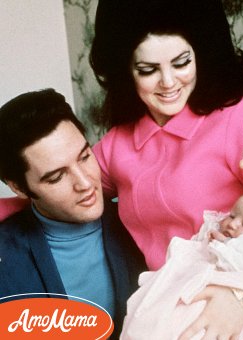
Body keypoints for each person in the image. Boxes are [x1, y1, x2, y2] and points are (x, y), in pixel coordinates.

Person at [85, 0, 243, 337]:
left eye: (181, 63)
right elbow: (61, 186)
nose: (168, 82)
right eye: (148, 69)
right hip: (171, 315)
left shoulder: (239, 120)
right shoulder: (116, 145)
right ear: (126, 69)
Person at [0, 89, 146, 338]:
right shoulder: (5, 258)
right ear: (18, 187)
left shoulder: (142, 218)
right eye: (57, 177)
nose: (86, 183)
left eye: (85, 156)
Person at [121, 183, 243, 340]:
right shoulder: (214, 234)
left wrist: (221, 247)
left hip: (223, 310)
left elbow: (242, 264)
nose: (232, 224)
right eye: (232, 215)